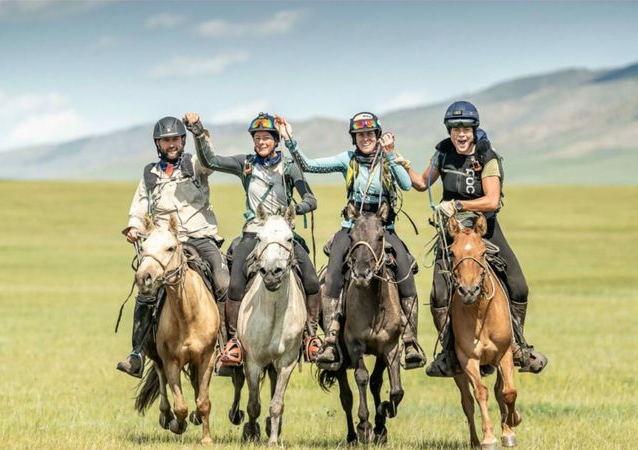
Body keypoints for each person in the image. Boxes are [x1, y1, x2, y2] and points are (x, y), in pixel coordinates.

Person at [401, 100, 548, 376]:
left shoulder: (486, 157)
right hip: (453, 231)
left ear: (474, 129)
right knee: (439, 294)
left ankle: (518, 347)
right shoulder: (442, 153)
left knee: (518, 286)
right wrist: (400, 162)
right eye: (455, 129)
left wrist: (458, 204)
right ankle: (448, 353)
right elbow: (422, 184)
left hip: (485, 228)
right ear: (449, 131)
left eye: (465, 128)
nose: (460, 134)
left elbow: (492, 200)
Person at [276, 112, 426, 370]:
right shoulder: (348, 159)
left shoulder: (388, 159)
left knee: (403, 269)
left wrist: (391, 154)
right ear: (354, 138)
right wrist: (290, 140)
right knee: (334, 270)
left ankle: (410, 339)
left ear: (378, 136)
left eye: (370, 134)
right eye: (360, 135)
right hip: (352, 228)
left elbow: (406, 185)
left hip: (383, 228)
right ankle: (332, 336)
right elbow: (309, 165)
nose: (365, 138)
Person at [182, 112, 321, 372]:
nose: (261, 142)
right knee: (234, 283)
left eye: (266, 137)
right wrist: (198, 132)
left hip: (283, 233)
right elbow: (209, 160)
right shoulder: (245, 164)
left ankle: (311, 336)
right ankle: (234, 343)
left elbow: (311, 199)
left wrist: (296, 208)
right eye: (257, 138)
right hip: (254, 232)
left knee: (312, 279)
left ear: (276, 140)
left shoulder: (289, 167)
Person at [116, 116, 230, 378]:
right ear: (158, 143)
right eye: (166, 140)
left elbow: (210, 160)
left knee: (223, 282)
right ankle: (136, 354)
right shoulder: (150, 174)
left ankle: (228, 349)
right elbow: (139, 206)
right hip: (163, 241)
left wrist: (199, 131)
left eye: (176, 139)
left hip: (200, 237)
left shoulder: (195, 164)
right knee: (145, 286)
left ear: (183, 140)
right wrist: (134, 227)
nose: (172, 144)